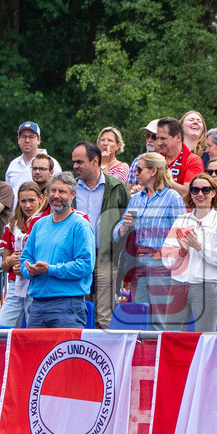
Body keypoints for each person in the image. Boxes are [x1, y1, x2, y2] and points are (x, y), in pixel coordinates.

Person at [113, 152, 186, 330]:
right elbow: (116, 233)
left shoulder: (172, 197)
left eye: (139, 169)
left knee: (160, 320)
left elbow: (181, 235)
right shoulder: (136, 198)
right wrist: (124, 226)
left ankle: (161, 357)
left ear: (153, 171)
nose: (135, 173)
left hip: (159, 263)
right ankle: (143, 357)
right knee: (141, 319)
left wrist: (164, 258)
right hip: (137, 263)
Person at [19, 173, 95, 329]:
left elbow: (86, 265)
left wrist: (50, 270)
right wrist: (30, 271)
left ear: (73, 195)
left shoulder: (81, 226)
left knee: (66, 353)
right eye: (52, 191)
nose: (56, 195)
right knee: (35, 353)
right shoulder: (39, 224)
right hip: (37, 306)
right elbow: (24, 259)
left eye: (62, 192)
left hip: (68, 306)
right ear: (46, 194)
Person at [160, 173, 217, 332]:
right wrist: (183, 251)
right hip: (178, 284)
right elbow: (166, 258)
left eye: (205, 190)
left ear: (213, 193)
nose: (200, 194)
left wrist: (198, 247)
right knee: (171, 336)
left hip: (207, 285)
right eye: (195, 190)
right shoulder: (181, 219)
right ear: (190, 193)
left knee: (206, 338)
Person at [72, 141, 129, 328]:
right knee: (79, 309)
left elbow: (128, 221)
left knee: (104, 314)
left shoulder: (116, 187)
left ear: (95, 161)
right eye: (74, 162)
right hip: (78, 256)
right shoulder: (70, 188)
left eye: (80, 162)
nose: (75, 166)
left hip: (107, 256)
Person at [0, 182, 44, 328]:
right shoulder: (12, 225)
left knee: (34, 331)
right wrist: (10, 261)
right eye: (23, 201)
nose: (27, 205)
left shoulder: (46, 223)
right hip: (14, 285)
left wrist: (26, 267)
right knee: (2, 328)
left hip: (36, 284)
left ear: (41, 199)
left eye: (32, 200)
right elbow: (4, 266)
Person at [5, 121, 61, 202]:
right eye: (23, 137)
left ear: (38, 140)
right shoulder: (13, 165)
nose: (27, 140)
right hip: (16, 214)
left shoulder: (52, 163)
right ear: (18, 139)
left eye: (31, 137)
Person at [156, 116, 203, 198]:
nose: (159, 143)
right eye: (157, 138)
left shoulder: (193, 160)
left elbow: (189, 192)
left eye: (163, 138)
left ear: (178, 137)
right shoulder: (157, 158)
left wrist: (164, 180)